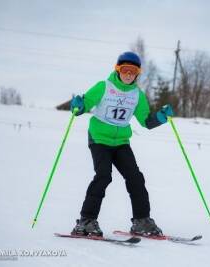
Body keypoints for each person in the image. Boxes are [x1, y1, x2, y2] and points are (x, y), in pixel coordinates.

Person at [70, 51, 174, 237]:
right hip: (99, 138)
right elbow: (85, 104)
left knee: (135, 177)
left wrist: (160, 117)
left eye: (133, 71)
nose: (128, 74)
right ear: (118, 70)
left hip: (121, 142)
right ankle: (86, 221)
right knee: (103, 176)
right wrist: (78, 106)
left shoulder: (137, 95)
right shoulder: (104, 86)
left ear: (137, 74)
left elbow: (146, 121)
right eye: (125, 70)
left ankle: (141, 221)